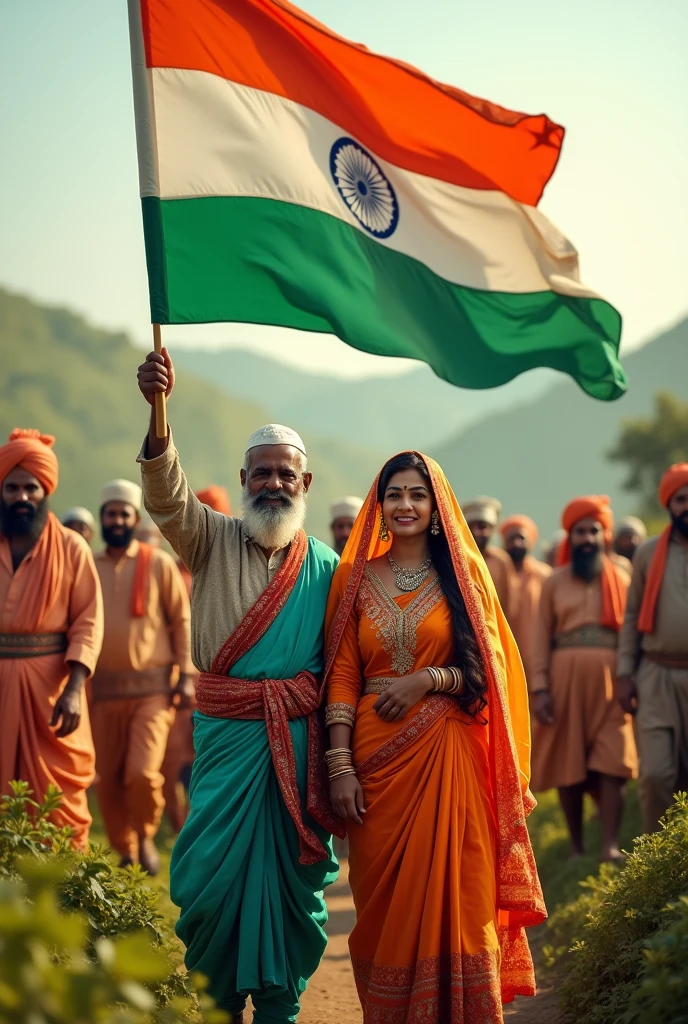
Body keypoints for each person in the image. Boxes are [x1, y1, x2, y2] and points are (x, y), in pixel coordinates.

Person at [136, 348, 342, 1024]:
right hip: (227, 743)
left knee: (291, 885)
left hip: (299, 745)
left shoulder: (329, 568)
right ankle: (220, 1003)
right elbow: (165, 496)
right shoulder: (209, 539)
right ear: (243, 479)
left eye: (286, 474)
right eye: (262, 474)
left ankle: (281, 1005)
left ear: (305, 480)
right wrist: (157, 412)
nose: (274, 484)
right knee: (212, 880)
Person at [325, 452, 544, 1023]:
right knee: (383, 906)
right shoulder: (354, 578)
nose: (405, 505)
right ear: (380, 504)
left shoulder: (463, 577)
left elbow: (486, 671)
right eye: (394, 494)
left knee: (460, 896)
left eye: (417, 495)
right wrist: (341, 765)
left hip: (450, 756)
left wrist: (428, 679)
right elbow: (343, 671)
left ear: (436, 506)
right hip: (374, 764)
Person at [0, 429, 103, 847]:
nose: (21, 497)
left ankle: (62, 900)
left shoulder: (73, 549)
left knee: (59, 803)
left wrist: (75, 688)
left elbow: (88, 622)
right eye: (12, 487)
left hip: (53, 694)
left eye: (31, 487)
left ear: (45, 491)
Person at [91, 479, 195, 874]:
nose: (117, 519)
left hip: (152, 692)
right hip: (102, 692)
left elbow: (180, 622)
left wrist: (185, 674)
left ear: (135, 519)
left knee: (142, 773)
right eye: (111, 514)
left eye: (124, 514)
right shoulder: (89, 565)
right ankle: (124, 848)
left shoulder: (158, 564)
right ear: (103, 518)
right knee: (108, 779)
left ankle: (147, 835)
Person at [530, 496, 637, 861]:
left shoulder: (622, 576)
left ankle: (609, 844)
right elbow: (540, 637)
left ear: (604, 535)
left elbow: (634, 631)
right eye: (580, 532)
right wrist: (540, 688)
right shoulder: (553, 583)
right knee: (568, 763)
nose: (587, 538)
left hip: (614, 679)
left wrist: (632, 676)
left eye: (594, 531)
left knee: (614, 761)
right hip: (565, 682)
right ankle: (577, 847)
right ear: (569, 537)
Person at [617, 464, 688, 831]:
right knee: (657, 775)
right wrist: (625, 673)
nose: (687, 505)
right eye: (681, 499)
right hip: (655, 676)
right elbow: (631, 618)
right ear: (669, 505)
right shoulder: (647, 555)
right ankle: (656, 863)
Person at [161, 485, 232, 833]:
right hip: (183, 680)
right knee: (179, 755)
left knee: (211, 753)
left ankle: (208, 820)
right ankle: (184, 823)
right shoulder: (173, 571)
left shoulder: (235, 567)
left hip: (222, 682)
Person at [500, 515, 551, 683]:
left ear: (531, 540)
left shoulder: (544, 575)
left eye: (521, 538)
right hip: (503, 655)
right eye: (511, 538)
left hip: (536, 656)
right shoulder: (495, 573)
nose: (516, 543)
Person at [462, 496, 513, 613]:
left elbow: (509, 604)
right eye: (471, 526)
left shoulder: (501, 561)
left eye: (481, 526)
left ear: (492, 530)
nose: (475, 532)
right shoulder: (454, 558)